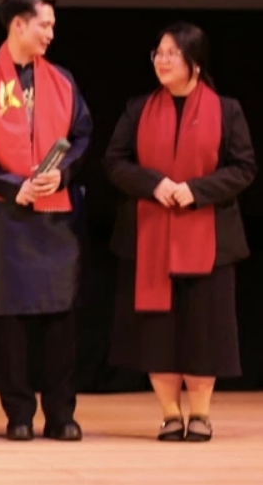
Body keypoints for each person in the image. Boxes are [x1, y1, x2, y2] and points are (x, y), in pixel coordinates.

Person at [104, 23, 255, 441]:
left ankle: (201, 414)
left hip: (209, 238)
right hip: (149, 236)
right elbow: (115, 162)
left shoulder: (227, 110)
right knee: (159, 333)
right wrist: (154, 184)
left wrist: (197, 190)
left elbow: (243, 168)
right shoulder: (137, 108)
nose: (162, 60)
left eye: (172, 53)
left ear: (195, 62)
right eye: (158, 53)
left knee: (203, 330)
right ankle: (170, 414)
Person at [0, 0, 93, 442]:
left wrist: (63, 173)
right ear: (18, 24)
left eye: (53, 26)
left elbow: (82, 137)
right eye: (44, 25)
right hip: (8, 215)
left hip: (58, 218)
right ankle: (18, 413)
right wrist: (13, 186)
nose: (50, 34)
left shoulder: (63, 80)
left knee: (61, 320)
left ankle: (61, 414)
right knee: (10, 323)